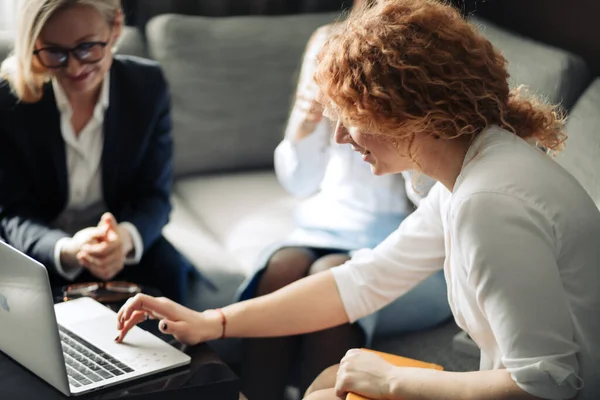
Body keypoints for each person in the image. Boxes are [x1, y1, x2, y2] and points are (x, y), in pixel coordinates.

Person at [115, 1, 600, 399]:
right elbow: (365, 280)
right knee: (328, 382)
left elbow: (546, 384)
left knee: (331, 390)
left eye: (353, 117)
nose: (342, 138)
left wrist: (389, 379)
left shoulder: (489, 202)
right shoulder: (471, 170)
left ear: (412, 114)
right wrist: (211, 322)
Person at [236, 0, 450, 397]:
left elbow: (438, 205)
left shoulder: (433, 58)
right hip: (327, 222)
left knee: (329, 277)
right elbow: (299, 182)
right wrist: (303, 123)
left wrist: (392, 124)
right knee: (281, 270)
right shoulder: (331, 44)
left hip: (406, 243)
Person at [0, 0, 193, 304]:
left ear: (115, 27)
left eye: (86, 47)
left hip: (119, 242)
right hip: (45, 247)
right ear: (35, 43)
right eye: (55, 52)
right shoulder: (9, 100)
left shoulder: (147, 85)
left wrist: (125, 238)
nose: (74, 67)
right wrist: (67, 249)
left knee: (171, 276)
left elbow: (154, 196)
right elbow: (12, 212)